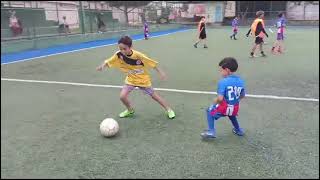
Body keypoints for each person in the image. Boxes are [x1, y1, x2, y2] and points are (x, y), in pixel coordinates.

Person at [96, 36, 176, 119]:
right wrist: (102, 66)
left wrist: (161, 72)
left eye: (124, 48)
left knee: (154, 96)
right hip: (131, 79)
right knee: (122, 96)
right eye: (120, 48)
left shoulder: (138, 55)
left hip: (142, 80)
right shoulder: (118, 54)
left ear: (130, 47)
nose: (122, 51)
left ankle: (169, 110)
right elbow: (109, 60)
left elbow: (151, 63)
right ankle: (130, 110)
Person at [201, 57, 245, 139]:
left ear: (227, 70)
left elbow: (220, 99)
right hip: (235, 108)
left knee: (210, 111)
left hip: (223, 109)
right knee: (231, 115)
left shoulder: (223, 82)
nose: (220, 72)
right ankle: (238, 130)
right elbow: (242, 96)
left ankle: (211, 131)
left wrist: (215, 101)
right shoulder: (241, 81)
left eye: (221, 70)